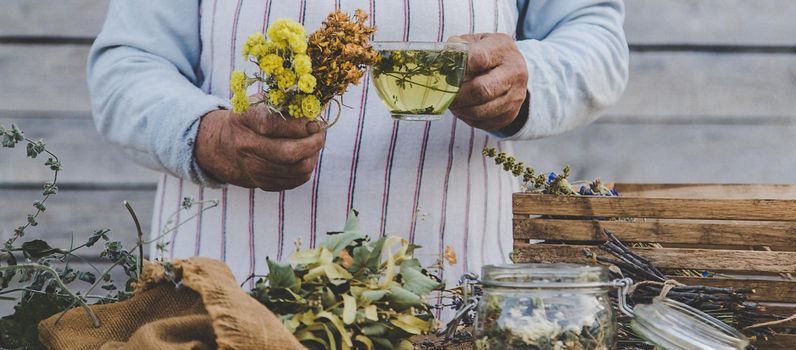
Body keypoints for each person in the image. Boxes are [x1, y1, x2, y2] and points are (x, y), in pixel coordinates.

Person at [88, 0, 628, 288]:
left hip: (452, 288)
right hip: (223, 288)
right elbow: (128, 66)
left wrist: (527, 77)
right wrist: (211, 137)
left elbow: (593, 37)